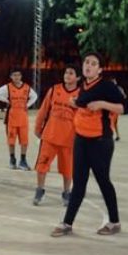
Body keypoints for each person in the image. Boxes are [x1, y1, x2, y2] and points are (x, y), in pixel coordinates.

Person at [52, 52, 124, 237]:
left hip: (100, 141)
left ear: (99, 69)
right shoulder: (83, 86)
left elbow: (124, 108)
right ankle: (67, 223)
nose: (88, 66)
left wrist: (102, 104)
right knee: (79, 183)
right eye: (86, 62)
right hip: (81, 140)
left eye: (93, 63)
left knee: (103, 182)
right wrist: (76, 104)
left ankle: (114, 222)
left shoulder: (106, 86)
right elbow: (83, 105)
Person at [33, 65, 80, 206]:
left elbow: (85, 116)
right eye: (66, 72)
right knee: (42, 165)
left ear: (77, 77)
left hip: (69, 139)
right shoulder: (55, 90)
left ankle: (67, 193)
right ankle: (40, 189)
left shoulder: (81, 94)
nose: (67, 75)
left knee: (67, 169)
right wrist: (38, 127)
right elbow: (43, 110)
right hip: (50, 136)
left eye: (71, 73)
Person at [0, 68, 38, 170]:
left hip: (23, 117)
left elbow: (35, 96)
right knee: (11, 141)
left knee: (24, 141)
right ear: (11, 77)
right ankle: (12, 159)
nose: (16, 77)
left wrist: (27, 104)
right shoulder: (8, 87)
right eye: (14, 75)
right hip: (12, 117)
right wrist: (6, 100)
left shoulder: (26, 88)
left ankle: (23, 160)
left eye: (18, 75)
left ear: (21, 76)